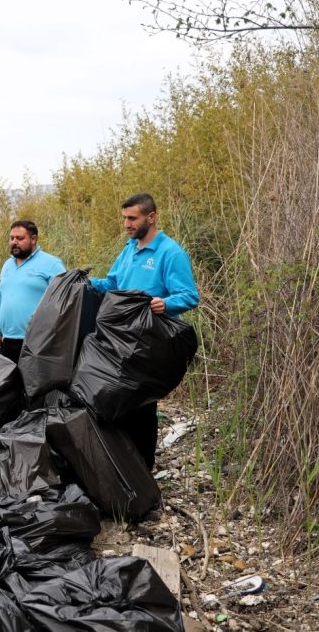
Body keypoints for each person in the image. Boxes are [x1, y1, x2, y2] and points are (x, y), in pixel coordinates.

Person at [90, 192, 200, 469]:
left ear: (151, 217)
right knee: (116, 402)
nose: (127, 224)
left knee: (141, 407)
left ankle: (143, 473)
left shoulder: (170, 252)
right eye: (125, 218)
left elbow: (189, 296)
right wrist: (84, 281)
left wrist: (166, 304)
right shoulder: (129, 249)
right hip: (120, 340)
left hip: (149, 345)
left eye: (132, 218)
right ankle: (122, 470)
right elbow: (112, 284)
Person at [0, 220, 66, 362]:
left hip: (38, 341)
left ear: (33, 239)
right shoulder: (7, 265)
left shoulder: (52, 264)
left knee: (34, 377)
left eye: (19, 238)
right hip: (7, 340)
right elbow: (1, 298)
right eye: (11, 238)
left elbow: (65, 302)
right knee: (9, 377)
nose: (14, 242)